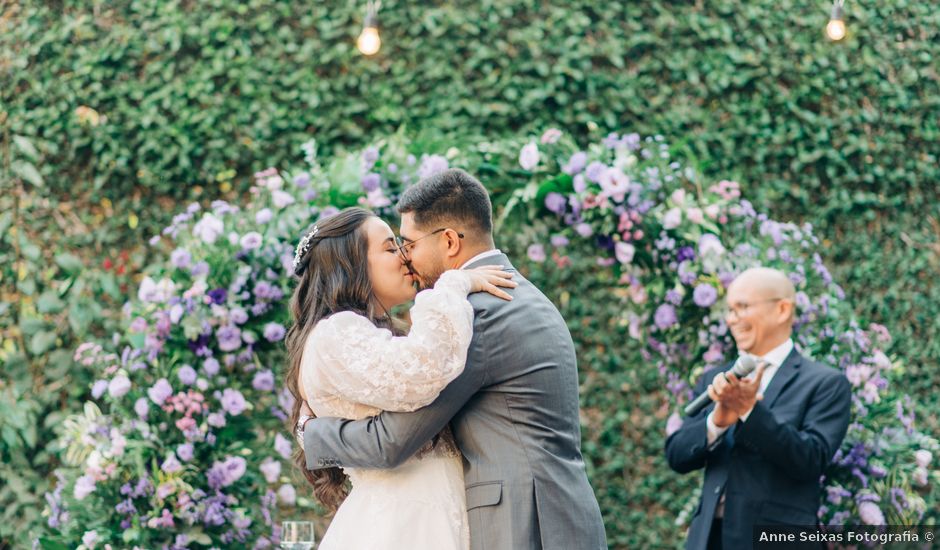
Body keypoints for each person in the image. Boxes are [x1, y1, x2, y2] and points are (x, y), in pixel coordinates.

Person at [300, 169, 607, 550]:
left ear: (448, 241)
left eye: (408, 244)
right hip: (551, 515)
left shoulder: (477, 314)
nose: (406, 258)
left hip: (524, 522)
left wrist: (313, 433)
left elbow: (393, 441)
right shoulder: (515, 295)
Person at [284, 206, 518, 550]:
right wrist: (452, 285)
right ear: (350, 264)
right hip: (402, 526)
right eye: (390, 248)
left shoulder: (362, 336)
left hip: (430, 517)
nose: (405, 257)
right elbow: (422, 371)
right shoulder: (336, 333)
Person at [665, 267, 852, 550]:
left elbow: (811, 459)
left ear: (782, 310)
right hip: (708, 539)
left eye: (741, 307)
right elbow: (677, 456)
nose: (732, 319)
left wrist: (750, 412)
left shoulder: (825, 383)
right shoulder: (717, 377)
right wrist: (717, 422)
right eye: (729, 310)